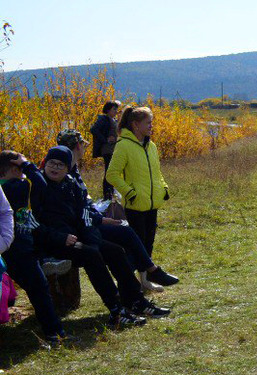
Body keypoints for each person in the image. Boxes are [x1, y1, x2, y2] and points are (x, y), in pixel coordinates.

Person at [36, 146, 168, 326]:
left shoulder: (70, 184)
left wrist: (95, 230)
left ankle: (135, 301)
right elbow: (32, 223)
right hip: (52, 242)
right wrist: (60, 237)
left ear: (68, 168)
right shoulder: (37, 186)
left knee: (115, 251)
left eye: (61, 164)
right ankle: (116, 310)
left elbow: (84, 212)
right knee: (92, 255)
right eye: (52, 163)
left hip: (76, 237)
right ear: (45, 163)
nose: (55, 168)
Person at [56, 129, 178, 292]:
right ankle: (144, 278)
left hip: (87, 223)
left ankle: (138, 282)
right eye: (83, 145)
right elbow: (73, 209)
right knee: (123, 240)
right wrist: (101, 219)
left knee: (126, 235)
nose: (85, 148)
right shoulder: (64, 171)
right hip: (76, 231)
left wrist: (98, 213)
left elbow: (82, 203)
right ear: (78, 146)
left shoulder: (71, 167)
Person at [0, 151, 68, 346]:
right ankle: (54, 333)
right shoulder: (17, 186)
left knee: (31, 288)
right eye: (20, 169)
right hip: (20, 249)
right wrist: (27, 164)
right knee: (39, 289)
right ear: (14, 168)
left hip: (9, 250)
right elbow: (41, 182)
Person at [105, 106, 170, 261]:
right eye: (148, 122)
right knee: (137, 245)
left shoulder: (151, 146)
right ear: (135, 124)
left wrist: (164, 187)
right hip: (135, 205)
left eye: (151, 122)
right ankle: (133, 280)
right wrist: (130, 193)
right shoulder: (123, 145)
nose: (151, 126)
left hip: (152, 204)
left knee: (149, 244)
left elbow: (156, 172)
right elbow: (112, 175)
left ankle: (145, 279)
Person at [90, 100, 120, 200]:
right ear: (108, 110)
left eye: (117, 109)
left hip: (113, 149)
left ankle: (110, 192)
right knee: (109, 171)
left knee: (112, 171)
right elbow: (93, 129)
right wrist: (105, 139)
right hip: (107, 149)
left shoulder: (113, 119)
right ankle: (107, 194)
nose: (116, 111)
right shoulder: (104, 119)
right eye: (114, 109)